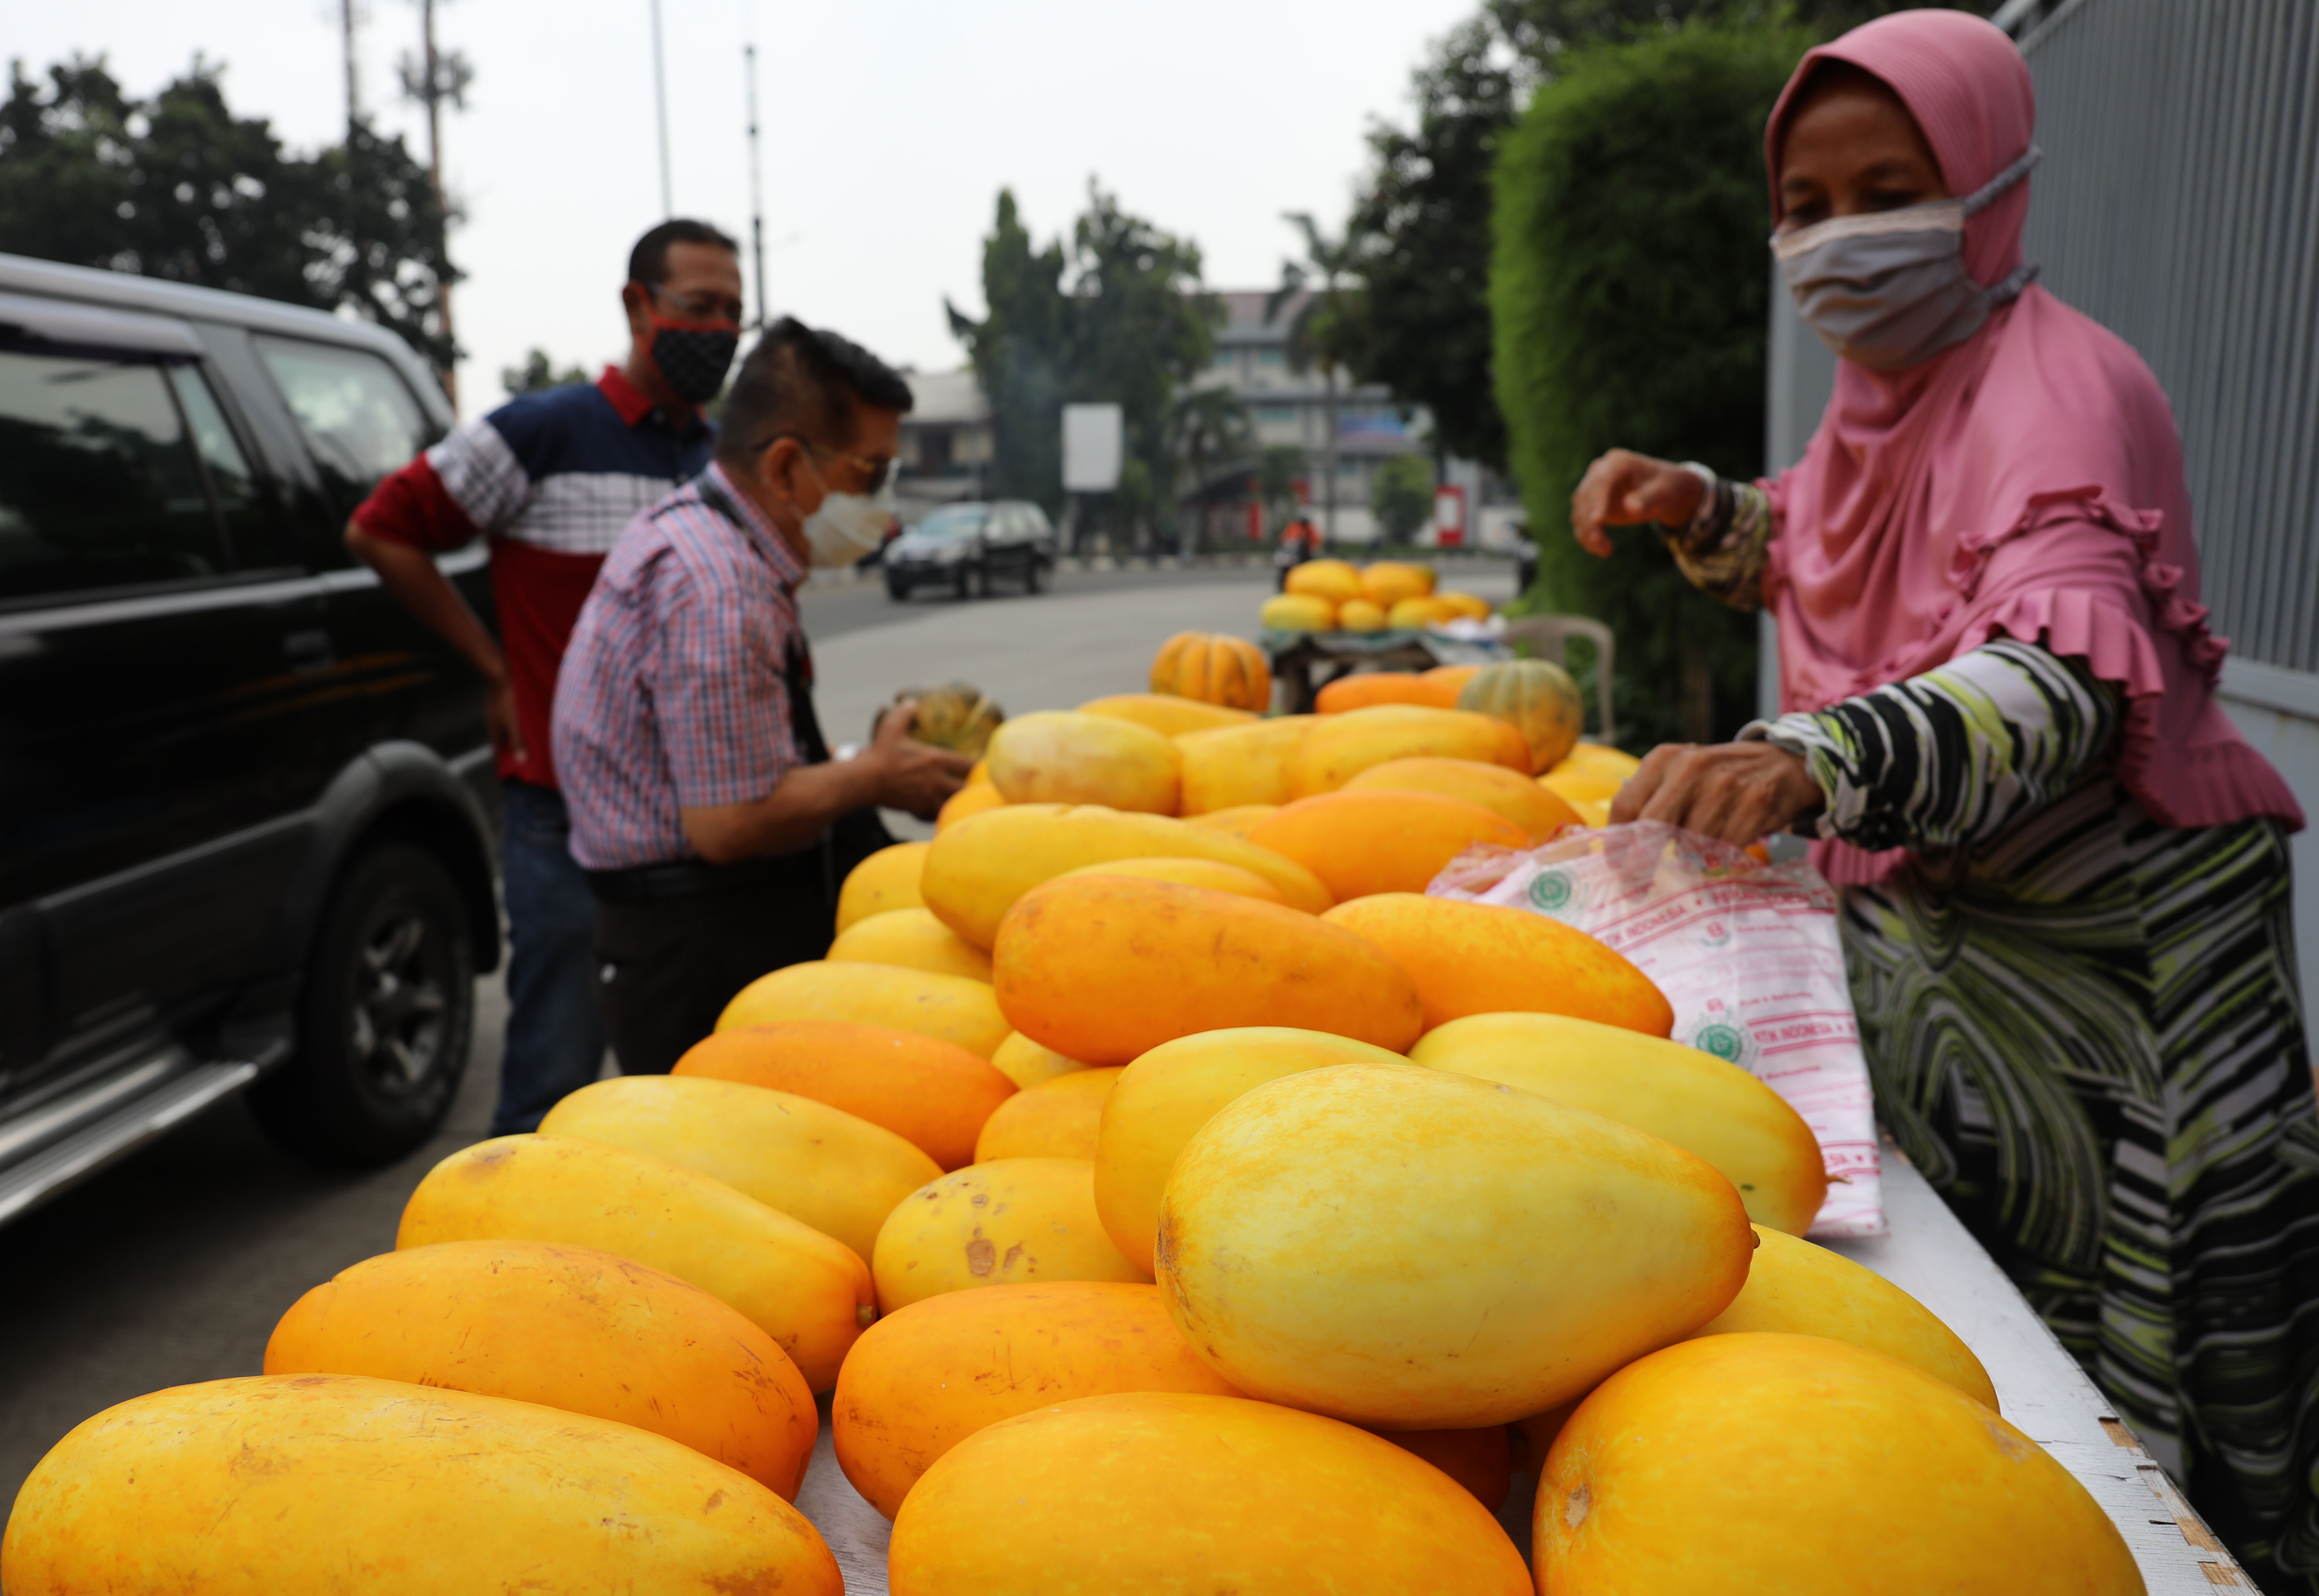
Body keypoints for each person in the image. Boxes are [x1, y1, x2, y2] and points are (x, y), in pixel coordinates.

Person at [1568, 13, 2315, 1581]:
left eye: (1888, 191)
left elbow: (2057, 672)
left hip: (2122, 980)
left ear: (1989, 184)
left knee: (2161, 1361)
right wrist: (1701, 505)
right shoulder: (1885, 405)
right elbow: (1830, 545)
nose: (1841, 237)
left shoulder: (2058, 397)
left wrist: (1821, 757)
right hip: (1958, 954)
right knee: (1988, 1328)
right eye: (1807, 205)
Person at [346, 219, 744, 1133]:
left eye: (734, 313)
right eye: (699, 307)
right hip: (562, 814)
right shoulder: (541, 433)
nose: (719, 331)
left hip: (692, 824)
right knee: (554, 1074)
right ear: (638, 307)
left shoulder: (720, 461)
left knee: (691, 1092)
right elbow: (381, 529)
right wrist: (494, 668)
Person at [551, 318, 970, 1076]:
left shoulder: (702, 536)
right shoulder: (718, 587)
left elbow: (736, 756)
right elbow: (727, 819)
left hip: (694, 922)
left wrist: (861, 760)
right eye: (870, 473)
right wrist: (873, 776)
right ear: (784, 466)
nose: (881, 502)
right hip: (697, 943)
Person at [1273, 512, 1321, 589]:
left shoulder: (1310, 529)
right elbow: (1284, 538)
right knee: (1284, 566)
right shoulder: (1293, 527)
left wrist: (1311, 546)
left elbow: (1315, 541)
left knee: (1309, 566)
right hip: (1291, 552)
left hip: (1305, 552)